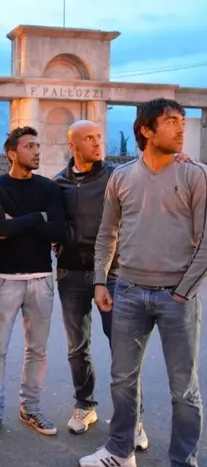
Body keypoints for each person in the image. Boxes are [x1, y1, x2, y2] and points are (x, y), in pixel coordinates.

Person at [80, 99, 206, 467]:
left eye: (182, 120)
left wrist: (183, 291)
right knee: (122, 379)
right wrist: (101, 281)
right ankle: (121, 452)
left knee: (184, 390)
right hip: (128, 292)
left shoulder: (195, 175)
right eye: (171, 121)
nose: (181, 128)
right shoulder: (121, 177)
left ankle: (183, 462)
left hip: (176, 298)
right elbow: (107, 233)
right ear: (146, 130)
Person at [53, 120, 148, 447]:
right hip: (71, 273)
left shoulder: (116, 176)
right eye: (89, 138)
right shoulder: (59, 183)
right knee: (77, 347)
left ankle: (133, 418)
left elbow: (150, 175)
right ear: (73, 145)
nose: (97, 142)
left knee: (123, 348)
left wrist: (179, 161)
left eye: (99, 137)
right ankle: (85, 405)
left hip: (113, 274)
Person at [0, 126, 65, 442]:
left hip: (42, 278)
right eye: (30, 146)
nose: (37, 151)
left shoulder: (49, 188)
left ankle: (31, 408)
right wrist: (38, 217)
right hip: (6, 280)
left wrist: (16, 223)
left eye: (38, 146)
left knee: (37, 351)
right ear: (11, 153)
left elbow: (60, 232)